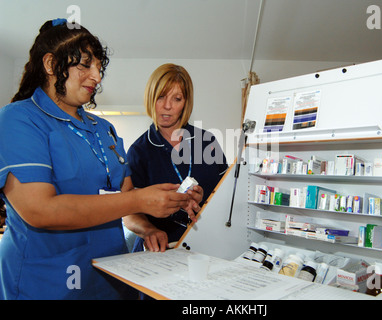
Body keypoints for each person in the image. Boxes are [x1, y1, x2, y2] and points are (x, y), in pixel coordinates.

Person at [0, 19, 201, 300]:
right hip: (47, 282)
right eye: (85, 65)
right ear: (50, 64)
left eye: (98, 68)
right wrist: (140, 200)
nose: (97, 77)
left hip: (108, 277)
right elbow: (40, 210)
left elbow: (124, 198)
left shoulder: (103, 129)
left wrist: (148, 226)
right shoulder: (19, 119)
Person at [123, 63, 228, 253]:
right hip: (162, 251)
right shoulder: (139, 152)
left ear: (186, 103)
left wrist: (205, 198)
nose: (167, 106)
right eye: (161, 97)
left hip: (206, 249)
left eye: (177, 98)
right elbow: (128, 212)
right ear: (150, 98)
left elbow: (227, 195)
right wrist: (149, 231)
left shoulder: (207, 142)